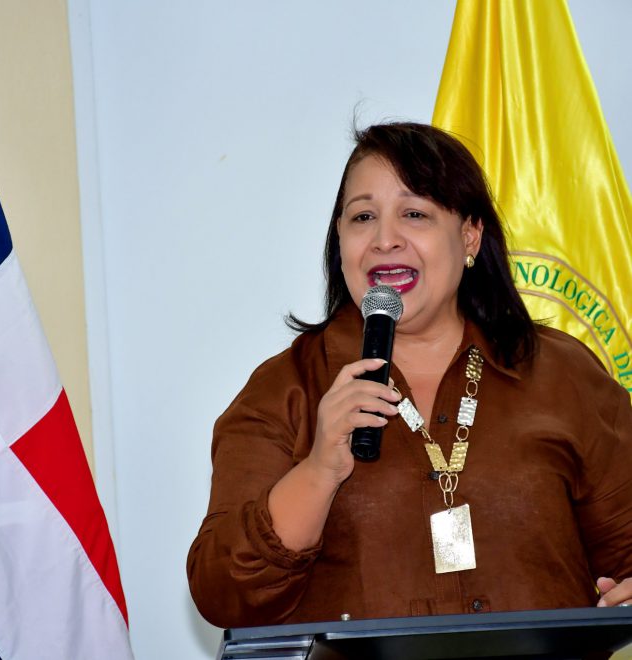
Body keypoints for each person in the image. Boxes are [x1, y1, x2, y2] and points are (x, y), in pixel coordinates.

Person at [187, 122, 632, 629]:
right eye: (363, 217)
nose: (385, 240)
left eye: (414, 213)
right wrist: (319, 470)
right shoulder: (286, 389)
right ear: (340, 240)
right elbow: (222, 593)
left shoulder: (561, 373)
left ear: (469, 234)